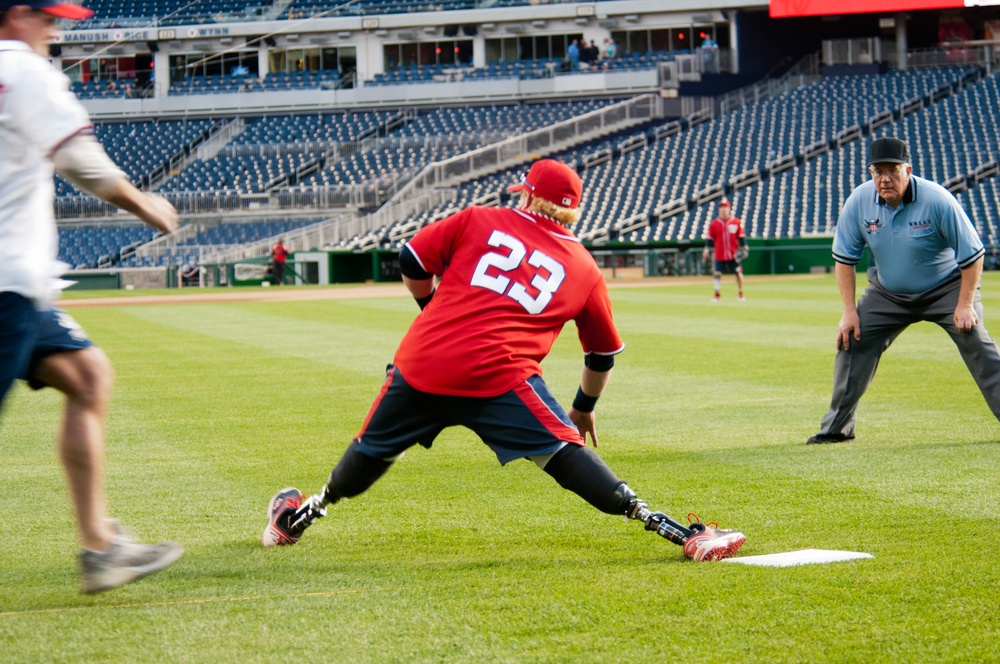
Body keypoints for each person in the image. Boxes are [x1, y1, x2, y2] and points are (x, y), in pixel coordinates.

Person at [261, 158, 747, 562]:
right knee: (562, 453)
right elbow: (601, 354)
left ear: (527, 196)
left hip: (425, 360)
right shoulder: (584, 266)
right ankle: (678, 532)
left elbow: (411, 261)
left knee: (373, 451)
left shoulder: (479, 218)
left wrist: (431, 311)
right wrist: (581, 407)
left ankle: (294, 520)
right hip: (500, 374)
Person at [0, 0, 183, 593]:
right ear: (16, 15)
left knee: (88, 376)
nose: (55, 30)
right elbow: (82, 163)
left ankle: (99, 547)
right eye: (47, 17)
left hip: (25, 285)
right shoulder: (22, 69)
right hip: (7, 282)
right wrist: (146, 204)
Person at [808, 137, 1000, 444]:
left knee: (976, 339)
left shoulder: (937, 200)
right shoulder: (859, 202)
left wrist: (965, 304)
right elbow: (844, 259)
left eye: (893, 171)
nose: (885, 179)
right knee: (852, 340)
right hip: (888, 293)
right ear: (870, 173)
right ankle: (836, 429)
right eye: (878, 171)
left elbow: (973, 254)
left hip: (946, 288)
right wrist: (849, 312)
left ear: (907, 170)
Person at [702, 198, 748, 301]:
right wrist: (706, 250)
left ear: (729, 208)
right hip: (720, 253)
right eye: (721, 207)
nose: (723, 209)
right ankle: (717, 294)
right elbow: (710, 239)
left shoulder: (736, 222)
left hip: (733, 253)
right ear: (719, 210)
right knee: (717, 273)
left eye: (725, 207)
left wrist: (745, 245)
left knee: (738, 272)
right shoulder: (714, 223)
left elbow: (741, 236)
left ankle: (741, 293)